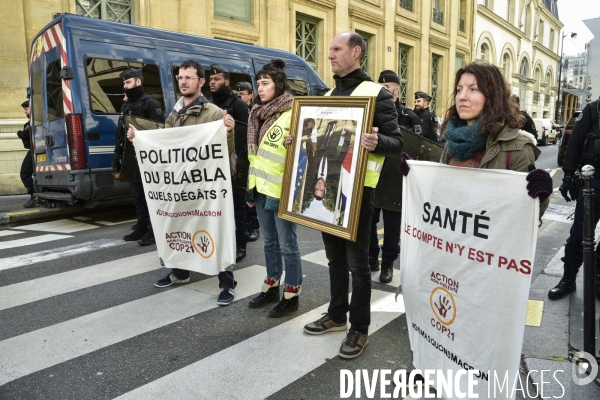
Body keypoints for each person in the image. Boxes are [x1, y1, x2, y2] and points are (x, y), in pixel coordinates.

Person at [303, 32, 402, 359]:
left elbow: (396, 142)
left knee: (359, 264)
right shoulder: (330, 93)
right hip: (328, 187)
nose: (329, 54)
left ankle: (358, 329)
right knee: (334, 259)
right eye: (329, 48)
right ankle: (336, 315)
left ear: (356, 52)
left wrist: (378, 143)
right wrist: (300, 144)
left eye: (336, 49)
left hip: (358, 192)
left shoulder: (377, 94)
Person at [127, 59, 237, 306]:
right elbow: (164, 145)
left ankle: (227, 283)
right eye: (180, 77)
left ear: (200, 82)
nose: (183, 81)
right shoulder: (174, 114)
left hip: (207, 189)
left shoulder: (214, 113)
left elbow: (225, 154)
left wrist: (229, 132)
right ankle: (179, 272)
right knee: (178, 228)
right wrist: (139, 139)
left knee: (215, 231)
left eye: (189, 77)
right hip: (180, 187)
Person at [399, 62, 551, 220]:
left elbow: (521, 221)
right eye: (459, 90)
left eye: (473, 89)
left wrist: (540, 198)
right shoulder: (452, 142)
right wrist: (415, 177)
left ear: (493, 96)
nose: (462, 96)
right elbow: (440, 196)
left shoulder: (517, 149)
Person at [246, 59, 303, 318]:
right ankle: (272, 284)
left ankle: (291, 294)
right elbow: (254, 156)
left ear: (279, 85)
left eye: (265, 83)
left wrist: (298, 143)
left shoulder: (295, 112)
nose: (260, 88)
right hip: (259, 187)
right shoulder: (256, 113)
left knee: (287, 243)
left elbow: (309, 150)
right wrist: (249, 188)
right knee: (269, 242)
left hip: (281, 189)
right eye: (258, 83)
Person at [368, 70, 419, 283]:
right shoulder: (370, 112)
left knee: (391, 225)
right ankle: (372, 256)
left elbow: (423, 148)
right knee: (369, 221)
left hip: (396, 178)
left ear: (396, 90)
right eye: (382, 88)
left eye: (388, 88)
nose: (385, 92)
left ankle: (388, 261)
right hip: (373, 176)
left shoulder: (409, 116)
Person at [550, 96, 600, 301]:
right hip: (593, 183)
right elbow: (575, 143)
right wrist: (568, 176)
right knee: (579, 233)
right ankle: (568, 279)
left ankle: (597, 276)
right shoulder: (592, 110)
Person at [113, 68, 164, 246]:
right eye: (124, 83)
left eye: (127, 82)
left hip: (148, 159)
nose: (125, 86)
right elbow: (120, 133)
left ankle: (154, 230)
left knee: (151, 196)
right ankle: (142, 225)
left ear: (138, 82)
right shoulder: (126, 105)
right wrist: (117, 156)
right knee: (137, 196)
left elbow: (158, 132)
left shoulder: (151, 104)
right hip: (130, 157)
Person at [208, 63, 251, 262]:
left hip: (234, 165)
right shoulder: (208, 104)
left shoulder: (238, 105)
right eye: (210, 79)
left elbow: (246, 136)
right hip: (214, 166)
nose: (212, 82)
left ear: (226, 81)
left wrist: (240, 168)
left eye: (217, 79)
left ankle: (240, 245)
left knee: (237, 207)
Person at [378, 70, 421, 135]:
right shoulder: (373, 111)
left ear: (396, 90)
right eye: (379, 87)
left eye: (386, 87)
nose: (381, 90)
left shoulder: (409, 116)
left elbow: (417, 142)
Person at [17, 100, 38, 208]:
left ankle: (34, 196)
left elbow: (25, 134)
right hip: (34, 149)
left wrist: (19, 133)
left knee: (25, 173)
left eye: (26, 109)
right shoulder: (30, 123)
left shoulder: (33, 122)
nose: (25, 112)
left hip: (35, 150)